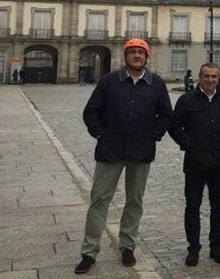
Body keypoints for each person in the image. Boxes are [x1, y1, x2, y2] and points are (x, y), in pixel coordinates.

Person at [75, 38, 173, 274]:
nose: (137, 56)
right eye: (133, 52)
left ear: (146, 57)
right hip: (110, 151)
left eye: (141, 52)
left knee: (134, 201)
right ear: (126, 56)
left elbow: (167, 115)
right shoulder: (109, 81)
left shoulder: (156, 84)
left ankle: (127, 246)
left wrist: (154, 136)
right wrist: (100, 135)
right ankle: (89, 252)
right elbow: (91, 112)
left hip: (141, 151)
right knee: (99, 200)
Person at [169, 63, 220, 266]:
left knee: (218, 206)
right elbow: (174, 125)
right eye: (206, 76)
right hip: (195, 162)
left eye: (214, 77)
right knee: (192, 206)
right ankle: (193, 248)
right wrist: (188, 144)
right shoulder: (187, 100)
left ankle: (216, 246)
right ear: (199, 77)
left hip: (219, 162)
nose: (210, 80)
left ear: (219, 78)